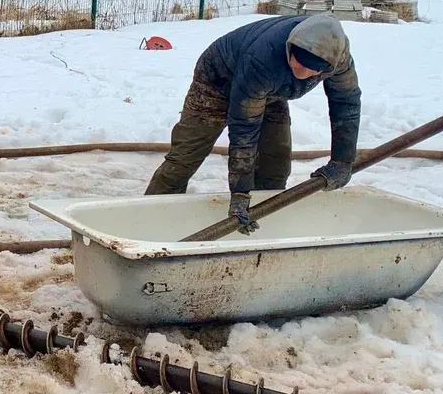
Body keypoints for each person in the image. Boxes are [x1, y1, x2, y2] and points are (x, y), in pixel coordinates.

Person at [145, 14, 360, 233]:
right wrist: (239, 193)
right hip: (217, 82)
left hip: (270, 92)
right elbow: (244, 131)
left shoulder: (338, 59)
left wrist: (342, 161)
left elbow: (346, 103)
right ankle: (147, 224)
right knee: (184, 160)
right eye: (298, 62)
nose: (303, 74)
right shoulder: (263, 58)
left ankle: (265, 230)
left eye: (312, 69)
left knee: (275, 163)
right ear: (290, 47)